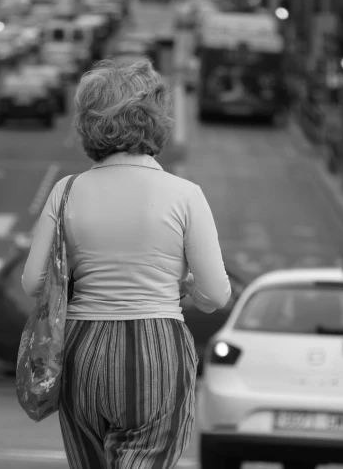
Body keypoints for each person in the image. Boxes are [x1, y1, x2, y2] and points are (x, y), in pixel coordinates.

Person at [22, 58, 231, 469]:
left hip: (80, 350)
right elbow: (216, 295)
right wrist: (185, 285)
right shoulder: (184, 194)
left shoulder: (66, 191)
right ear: (156, 118)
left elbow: (34, 284)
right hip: (154, 348)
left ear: (87, 122)